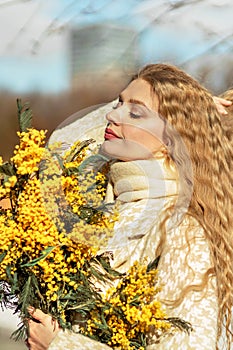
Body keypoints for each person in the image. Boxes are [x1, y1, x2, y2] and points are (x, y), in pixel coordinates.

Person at [27, 63, 233, 350]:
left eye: (135, 112)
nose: (111, 115)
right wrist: (191, 106)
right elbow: (62, 145)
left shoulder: (184, 232)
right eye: (117, 103)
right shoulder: (106, 206)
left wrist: (62, 345)